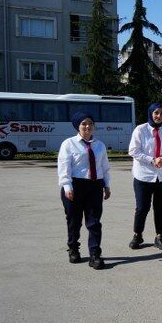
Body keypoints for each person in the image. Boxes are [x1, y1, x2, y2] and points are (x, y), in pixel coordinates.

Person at [57, 111, 111, 270]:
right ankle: (73, 248)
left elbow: (105, 167)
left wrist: (107, 185)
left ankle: (95, 254)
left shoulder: (99, 145)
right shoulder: (69, 143)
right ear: (78, 126)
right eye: (84, 124)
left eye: (90, 123)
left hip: (95, 186)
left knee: (94, 222)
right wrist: (67, 186)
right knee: (74, 221)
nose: (87, 126)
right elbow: (63, 166)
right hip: (75, 186)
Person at [127, 102, 162, 250]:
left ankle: (159, 236)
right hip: (144, 176)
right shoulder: (140, 130)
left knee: (160, 208)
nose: (159, 116)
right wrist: (152, 160)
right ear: (151, 113)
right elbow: (133, 150)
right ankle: (137, 235)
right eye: (156, 113)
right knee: (142, 208)